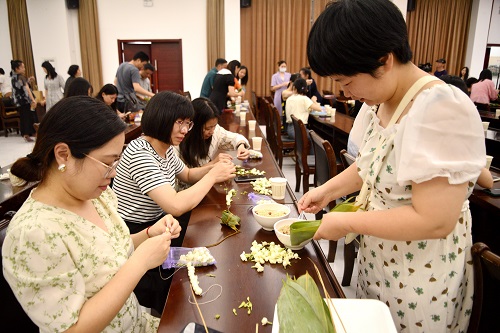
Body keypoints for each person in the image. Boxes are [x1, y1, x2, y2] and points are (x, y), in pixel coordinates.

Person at [300, 1, 485, 331]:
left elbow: (434, 220)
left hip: (422, 277)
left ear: (383, 60)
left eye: (346, 81)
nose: (347, 93)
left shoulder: (440, 109)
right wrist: (327, 191)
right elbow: (370, 165)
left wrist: (348, 224)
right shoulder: (381, 102)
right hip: (381, 258)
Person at [3, 96, 181, 332]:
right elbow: (72, 328)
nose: (114, 172)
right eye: (108, 162)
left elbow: (105, 254)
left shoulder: (96, 196)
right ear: (63, 154)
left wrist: (148, 234)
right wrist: (140, 263)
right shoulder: (34, 234)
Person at [112, 91, 235, 312]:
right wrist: (212, 176)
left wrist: (213, 167)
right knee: (205, 251)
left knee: (211, 234)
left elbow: (186, 174)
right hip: (138, 232)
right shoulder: (140, 153)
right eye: (180, 122)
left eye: (188, 123)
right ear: (161, 117)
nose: (185, 130)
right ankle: (168, 313)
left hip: (159, 222)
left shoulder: (164, 149)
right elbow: (175, 204)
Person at [178, 97, 250, 170]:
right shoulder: (178, 141)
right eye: (207, 128)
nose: (212, 131)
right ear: (194, 125)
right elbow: (186, 176)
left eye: (214, 126)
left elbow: (235, 138)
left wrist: (241, 146)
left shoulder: (216, 131)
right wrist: (214, 163)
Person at [10, 60, 37, 142]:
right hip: (26, 100)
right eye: (22, 67)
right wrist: (33, 100)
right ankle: (32, 133)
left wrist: (28, 80)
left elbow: (19, 87)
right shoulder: (21, 77)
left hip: (20, 101)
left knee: (24, 117)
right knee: (30, 117)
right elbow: (27, 90)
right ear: (17, 69)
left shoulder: (13, 78)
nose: (24, 69)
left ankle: (26, 134)